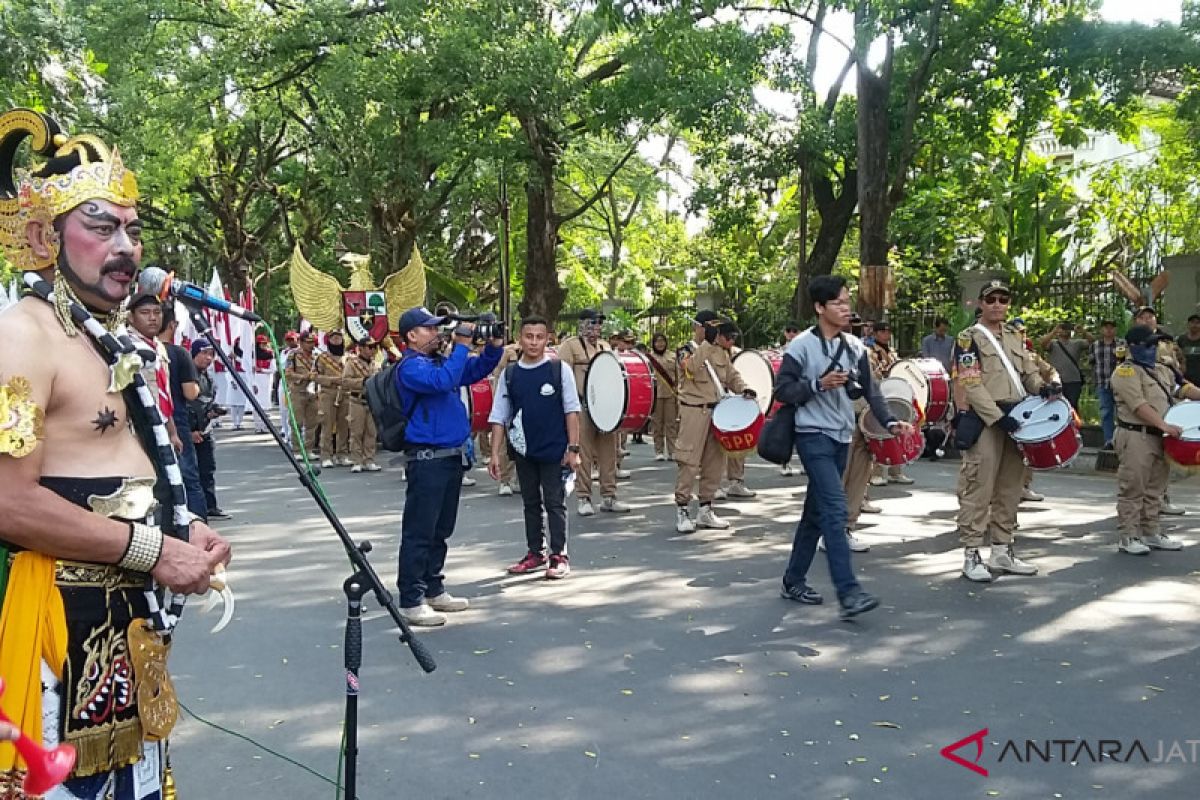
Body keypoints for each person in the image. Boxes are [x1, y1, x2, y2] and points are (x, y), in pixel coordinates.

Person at [0, 108, 230, 796]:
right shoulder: (23, 339)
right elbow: (8, 501)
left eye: (132, 228)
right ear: (43, 235)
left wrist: (184, 529)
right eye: (101, 226)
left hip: (126, 624)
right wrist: (153, 552)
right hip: (59, 634)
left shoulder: (111, 337)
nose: (126, 245)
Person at [773, 275, 908, 618]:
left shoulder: (854, 347)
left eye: (847, 302)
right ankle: (849, 592)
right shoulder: (800, 346)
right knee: (835, 509)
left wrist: (890, 422)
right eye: (838, 303)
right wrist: (817, 385)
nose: (846, 308)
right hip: (811, 436)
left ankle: (793, 580)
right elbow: (783, 390)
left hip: (841, 437)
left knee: (815, 514)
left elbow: (871, 392)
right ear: (820, 308)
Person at [395, 307, 504, 626]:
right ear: (412, 336)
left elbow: (476, 370)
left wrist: (494, 345)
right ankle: (411, 599)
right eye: (429, 329)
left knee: (441, 529)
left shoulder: (438, 361)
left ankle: (433, 587)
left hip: (451, 457)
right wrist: (461, 343)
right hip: (427, 459)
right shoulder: (410, 367)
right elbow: (443, 381)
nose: (436, 333)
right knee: (419, 531)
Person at [953, 280, 1059, 582]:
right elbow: (971, 381)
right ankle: (972, 554)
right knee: (980, 487)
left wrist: (1044, 389)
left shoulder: (1014, 336)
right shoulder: (968, 338)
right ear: (981, 304)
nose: (997, 304)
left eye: (1003, 299)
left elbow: (1028, 372)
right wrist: (997, 418)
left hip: (1017, 416)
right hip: (987, 419)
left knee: (1011, 487)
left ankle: (1002, 549)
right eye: (991, 299)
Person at [488, 316, 581, 580]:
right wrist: (495, 453)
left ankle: (558, 555)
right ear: (520, 338)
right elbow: (499, 415)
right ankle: (535, 553)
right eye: (529, 336)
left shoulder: (558, 369)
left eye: (540, 337)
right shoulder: (510, 374)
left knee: (554, 502)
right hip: (523, 450)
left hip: (555, 450)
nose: (534, 342)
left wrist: (573, 449)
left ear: (548, 339)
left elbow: (572, 410)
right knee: (530, 503)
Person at [1111, 324, 1200, 555]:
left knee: (1155, 489)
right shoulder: (1125, 372)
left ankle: (1151, 532)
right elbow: (1138, 405)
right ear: (1133, 347)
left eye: (1155, 344)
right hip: (1136, 435)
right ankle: (1128, 536)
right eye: (1148, 344)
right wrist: (1164, 426)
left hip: (1161, 437)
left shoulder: (1161, 370)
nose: (1153, 348)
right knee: (1133, 487)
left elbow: (1182, 388)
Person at [672, 315, 756, 533]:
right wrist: (706, 345)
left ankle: (705, 508)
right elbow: (689, 369)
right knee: (689, 461)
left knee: (714, 461)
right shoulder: (685, 350)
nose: (715, 334)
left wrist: (744, 388)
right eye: (710, 329)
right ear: (699, 328)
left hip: (716, 411)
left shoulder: (721, 352)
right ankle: (682, 509)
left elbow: (731, 375)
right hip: (693, 410)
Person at [557, 309, 629, 516]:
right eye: (592, 323)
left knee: (609, 453)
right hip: (582, 406)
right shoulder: (569, 346)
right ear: (582, 325)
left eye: (598, 324)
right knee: (584, 453)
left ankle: (609, 495)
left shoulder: (605, 346)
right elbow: (562, 376)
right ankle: (583, 497)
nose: (596, 328)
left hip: (605, 408)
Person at [1133, 306, 1187, 516]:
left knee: (1164, 457)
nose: (1147, 320)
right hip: (1143, 405)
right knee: (1141, 463)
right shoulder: (1130, 344)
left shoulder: (1167, 343)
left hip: (1166, 400)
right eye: (1142, 317)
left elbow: (1179, 369)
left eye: (1150, 316)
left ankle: (1161, 498)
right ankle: (1139, 505)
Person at [188, 337, 231, 518]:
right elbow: (185, 405)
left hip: (205, 430)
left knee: (207, 470)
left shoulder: (208, 378)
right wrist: (190, 431)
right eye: (204, 353)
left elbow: (206, 404)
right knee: (191, 473)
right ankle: (193, 511)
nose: (208, 358)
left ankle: (210, 506)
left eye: (211, 354)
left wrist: (214, 411)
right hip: (190, 432)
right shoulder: (187, 376)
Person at [866, 322, 912, 486]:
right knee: (878, 434)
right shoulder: (869, 352)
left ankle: (896, 470)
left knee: (896, 434)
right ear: (875, 334)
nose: (887, 334)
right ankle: (876, 472)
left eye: (888, 331)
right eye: (883, 331)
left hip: (895, 395)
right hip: (879, 394)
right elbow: (870, 374)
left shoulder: (891, 352)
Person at [341, 338, 382, 473]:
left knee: (371, 432)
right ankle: (357, 460)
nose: (372, 350)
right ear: (361, 348)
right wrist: (362, 382)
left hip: (371, 401)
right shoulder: (352, 364)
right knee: (356, 432)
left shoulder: (376, 365)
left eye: (374, 347)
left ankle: (369, 459)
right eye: (369, 347)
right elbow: (346, 381)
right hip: (356, 400)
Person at [284, 330, 321, 456]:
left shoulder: (317, 355)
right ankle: (297, 449)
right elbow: (288, 373)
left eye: (312, 342)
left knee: (312, 423)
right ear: (301, 342)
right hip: (298, 391)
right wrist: (304, 376)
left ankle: (308, 449)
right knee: (296, 422)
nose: (311, 345)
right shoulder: (293, 355)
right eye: (308, 342)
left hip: (313, 393)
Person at [315, 329, 349, 468]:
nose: (336, 340)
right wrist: (332, 380)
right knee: (327, 425)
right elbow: (315, 376)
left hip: (345, 394)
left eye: (339, 338)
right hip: (328, 394)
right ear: (328, 340)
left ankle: (342, 454)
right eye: (333, 338)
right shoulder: (322, 358)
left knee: (344, 426)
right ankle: (326, 456)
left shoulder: (348, 357)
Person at [1039, 321, 1091, 411]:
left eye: (1067, 328)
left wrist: (1083, 331)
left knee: (1072, 406)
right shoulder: (1053, 344)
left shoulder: (1077, 343)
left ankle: (1074, 424)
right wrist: (1054, 331)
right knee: (1056, 406)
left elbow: (1093, 342)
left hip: (1073, 381)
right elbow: (1043, 344)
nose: (1065, 330)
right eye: (1063, 328)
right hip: (1056, 381)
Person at [646, 332, 679, 461]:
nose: (660, 344)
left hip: (670, 394)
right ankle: (658, 451)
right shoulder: (649, 358)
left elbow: (677, 375)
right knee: (657, 424)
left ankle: (672, 451)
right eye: (657, 342)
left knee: (671, 424)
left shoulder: (673, 356)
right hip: (656, 395)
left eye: (662, 341)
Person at [1091, 319, 1123, 449]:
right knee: (1106, 412)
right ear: (1101, 330)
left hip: (1120, 384)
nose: (1109, 330)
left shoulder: (1121, 344)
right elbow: (1093, 363)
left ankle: (1122, 439)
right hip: (1102, 383)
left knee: (1122, 412)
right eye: (1106, 327)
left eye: (1111, 327)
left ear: (1115, 330)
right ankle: (1108, 440)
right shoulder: (1095, 345)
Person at [1177, 313, 1200, 387]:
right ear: (1188, 324)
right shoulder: (1181, 339)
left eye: (1197, 323)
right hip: (1185, 380)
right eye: (1192, 322)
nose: (1195, 325)